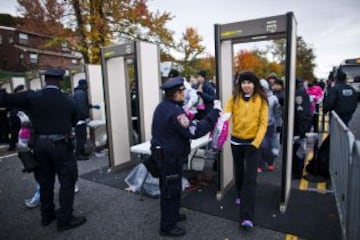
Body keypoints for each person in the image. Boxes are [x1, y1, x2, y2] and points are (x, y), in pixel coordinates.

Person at [0, 68, 86, 232]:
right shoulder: (67, 99)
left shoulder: (32, 96)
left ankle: (47, 216)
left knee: (45, 182)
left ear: (45, 80)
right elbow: (78, 117)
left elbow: (4, 99)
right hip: (61, 145)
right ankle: (65, 220)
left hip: (39, 145)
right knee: (67, 182)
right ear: (60, 81)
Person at [151, 76, 221, 237]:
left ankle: (173, 215)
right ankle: (167, 226)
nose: (184, 94)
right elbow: (193, 132)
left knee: (170, 187)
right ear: (174, 93)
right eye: (182, 91)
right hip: (169, 158)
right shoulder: (175, 111)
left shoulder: (164, 106)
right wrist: (214, 114)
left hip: (165, 155)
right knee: (171, 190)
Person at [224, 71, 268, 230]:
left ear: (255, 84)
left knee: (251, 178)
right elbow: (226, 115)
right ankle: (239, 194)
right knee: (239, 170)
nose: (246, 85)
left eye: (249, 82)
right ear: (240, 84)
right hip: (236, 142)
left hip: (253, 144)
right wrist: (218, 125)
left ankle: (246, 217)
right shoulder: (234, 98)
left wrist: (256, 142)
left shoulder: (261, 100)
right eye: (243, 83)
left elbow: (263, 124)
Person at [258, 79, 282, 172]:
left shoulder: (273, 99)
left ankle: (270, 162)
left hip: (270, 125)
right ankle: (261, 164)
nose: (261, 90)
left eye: (263, 88)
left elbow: (278, 113)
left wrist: (279, 125)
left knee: (269, 145)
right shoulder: (256, 98)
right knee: (261, 145)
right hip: (259, 125)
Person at [73, 79, 100, 160]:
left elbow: (84, 105)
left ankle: (81, 152)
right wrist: (85, 117)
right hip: (80, 120)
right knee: (81, 138)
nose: (87, 86)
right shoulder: (81, 93)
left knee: (81, 137)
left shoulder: (78, 92)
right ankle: (78, 155)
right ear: (84, 85)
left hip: (78, 119)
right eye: (86, 84)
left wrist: (92, 106)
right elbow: (81, 107)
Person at [293, 77, 312, 179]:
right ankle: (297, 171)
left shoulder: (298, 94)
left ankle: (296, 173)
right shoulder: (302, 91)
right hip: (301, 127)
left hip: (298, 128)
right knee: (299, 151)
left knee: (297, 151)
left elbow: (301, 112)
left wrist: (301, 131)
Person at [7, 85, 25, 151]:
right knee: (20, 130)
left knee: (15, 131)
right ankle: (18, 145)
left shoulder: (13, 97)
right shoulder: (20, 97)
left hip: (14, 116)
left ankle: (12, 146)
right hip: (18, 116)